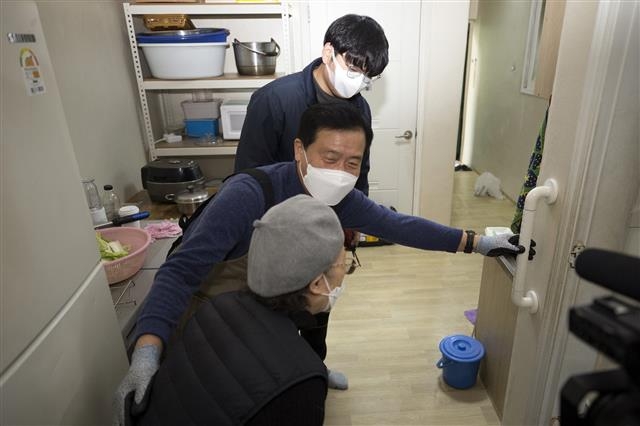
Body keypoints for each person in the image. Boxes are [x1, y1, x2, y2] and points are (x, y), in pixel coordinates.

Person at [113, 103, 525, 424]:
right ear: (300, 150)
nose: (341, 172)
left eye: (353, 163)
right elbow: (180, 272)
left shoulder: (341, 198)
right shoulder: (248, 194)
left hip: (270, 315)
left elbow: (399, 226)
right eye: (330, 157)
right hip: (214, 318)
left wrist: (476, 242)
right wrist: (148, 350)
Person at [128, 195, 347, 426]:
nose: (344, 274)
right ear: (317, 283)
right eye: (344, 265)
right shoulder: (303, 382)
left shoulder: (219, 305)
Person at [233, 13, 389, 196]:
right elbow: (249, 175)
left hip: (336, 208)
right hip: (282, 207)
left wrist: (358, 211)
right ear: (328, 53)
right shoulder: (274, 99)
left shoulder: (361, 110)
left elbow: (360, 176)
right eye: (353, 69)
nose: (358, 82)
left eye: (367, 76)